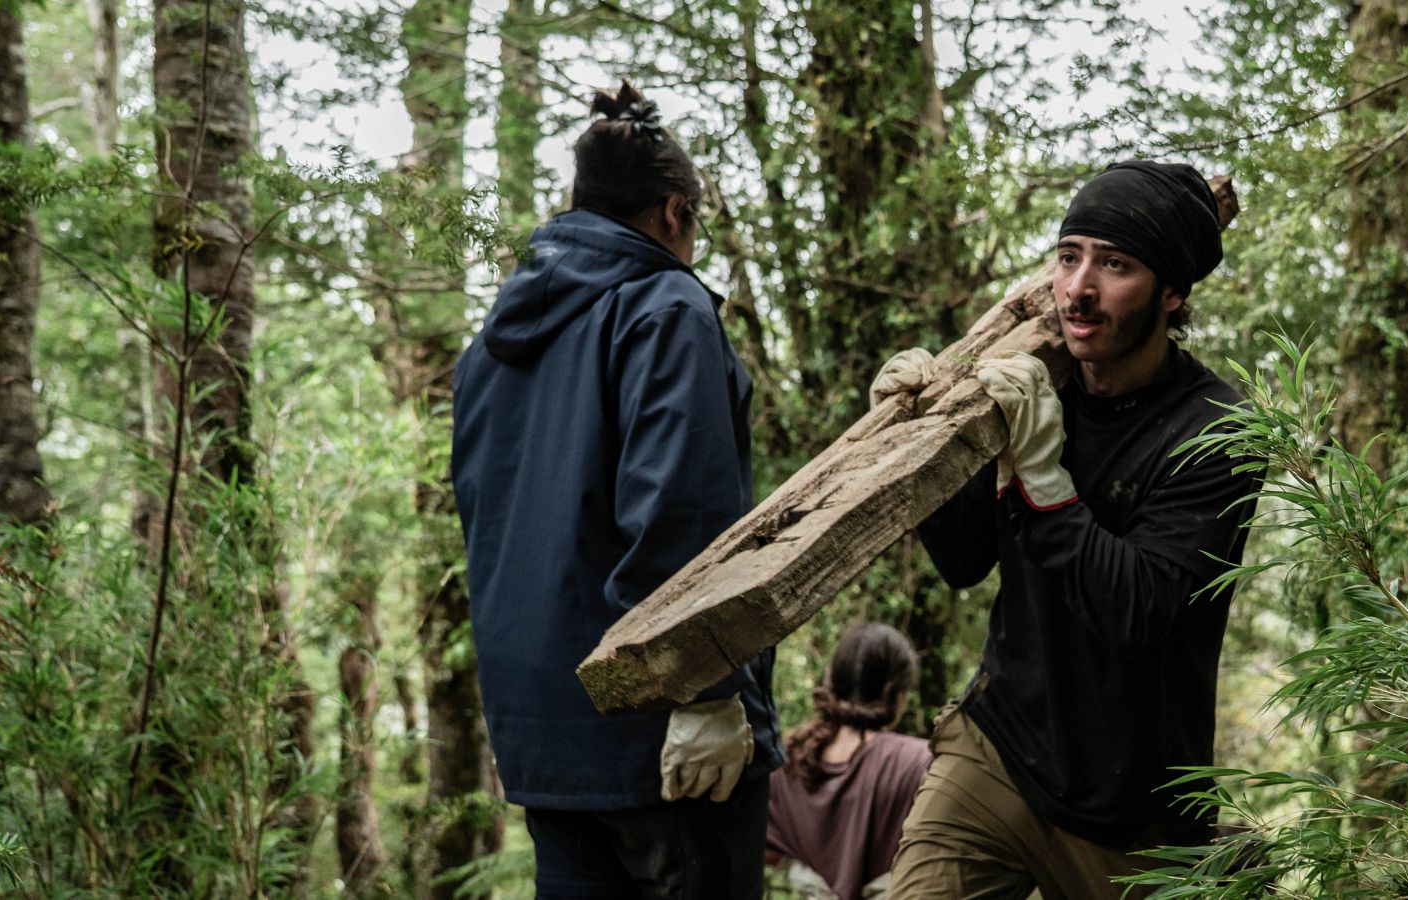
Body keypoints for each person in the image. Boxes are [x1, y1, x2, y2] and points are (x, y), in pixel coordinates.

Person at [874, 161, 1260, 899]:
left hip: (1136, 808)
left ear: (1172, 293)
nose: (1078, 288)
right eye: (1068, 255)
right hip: (998, 752)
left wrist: (1044, 478)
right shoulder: (1035, 384)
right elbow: (961, 559)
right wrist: (913, 444)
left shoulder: (1220, 431)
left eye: (1114, 265)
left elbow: (1136, 611)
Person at [451, 82, 781, 899]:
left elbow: (484, 528)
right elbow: (682, 511)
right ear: (675, 213)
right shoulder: (667, 308)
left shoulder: (487, 349)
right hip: (661, 738)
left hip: (541, 735)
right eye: (695, 225)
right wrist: (705, 692)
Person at [766, 624, 932, 900]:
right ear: (897, 693)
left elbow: (766, 849)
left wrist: (806, 866)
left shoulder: (791, 759)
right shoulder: (920, 762)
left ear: (833, 681)